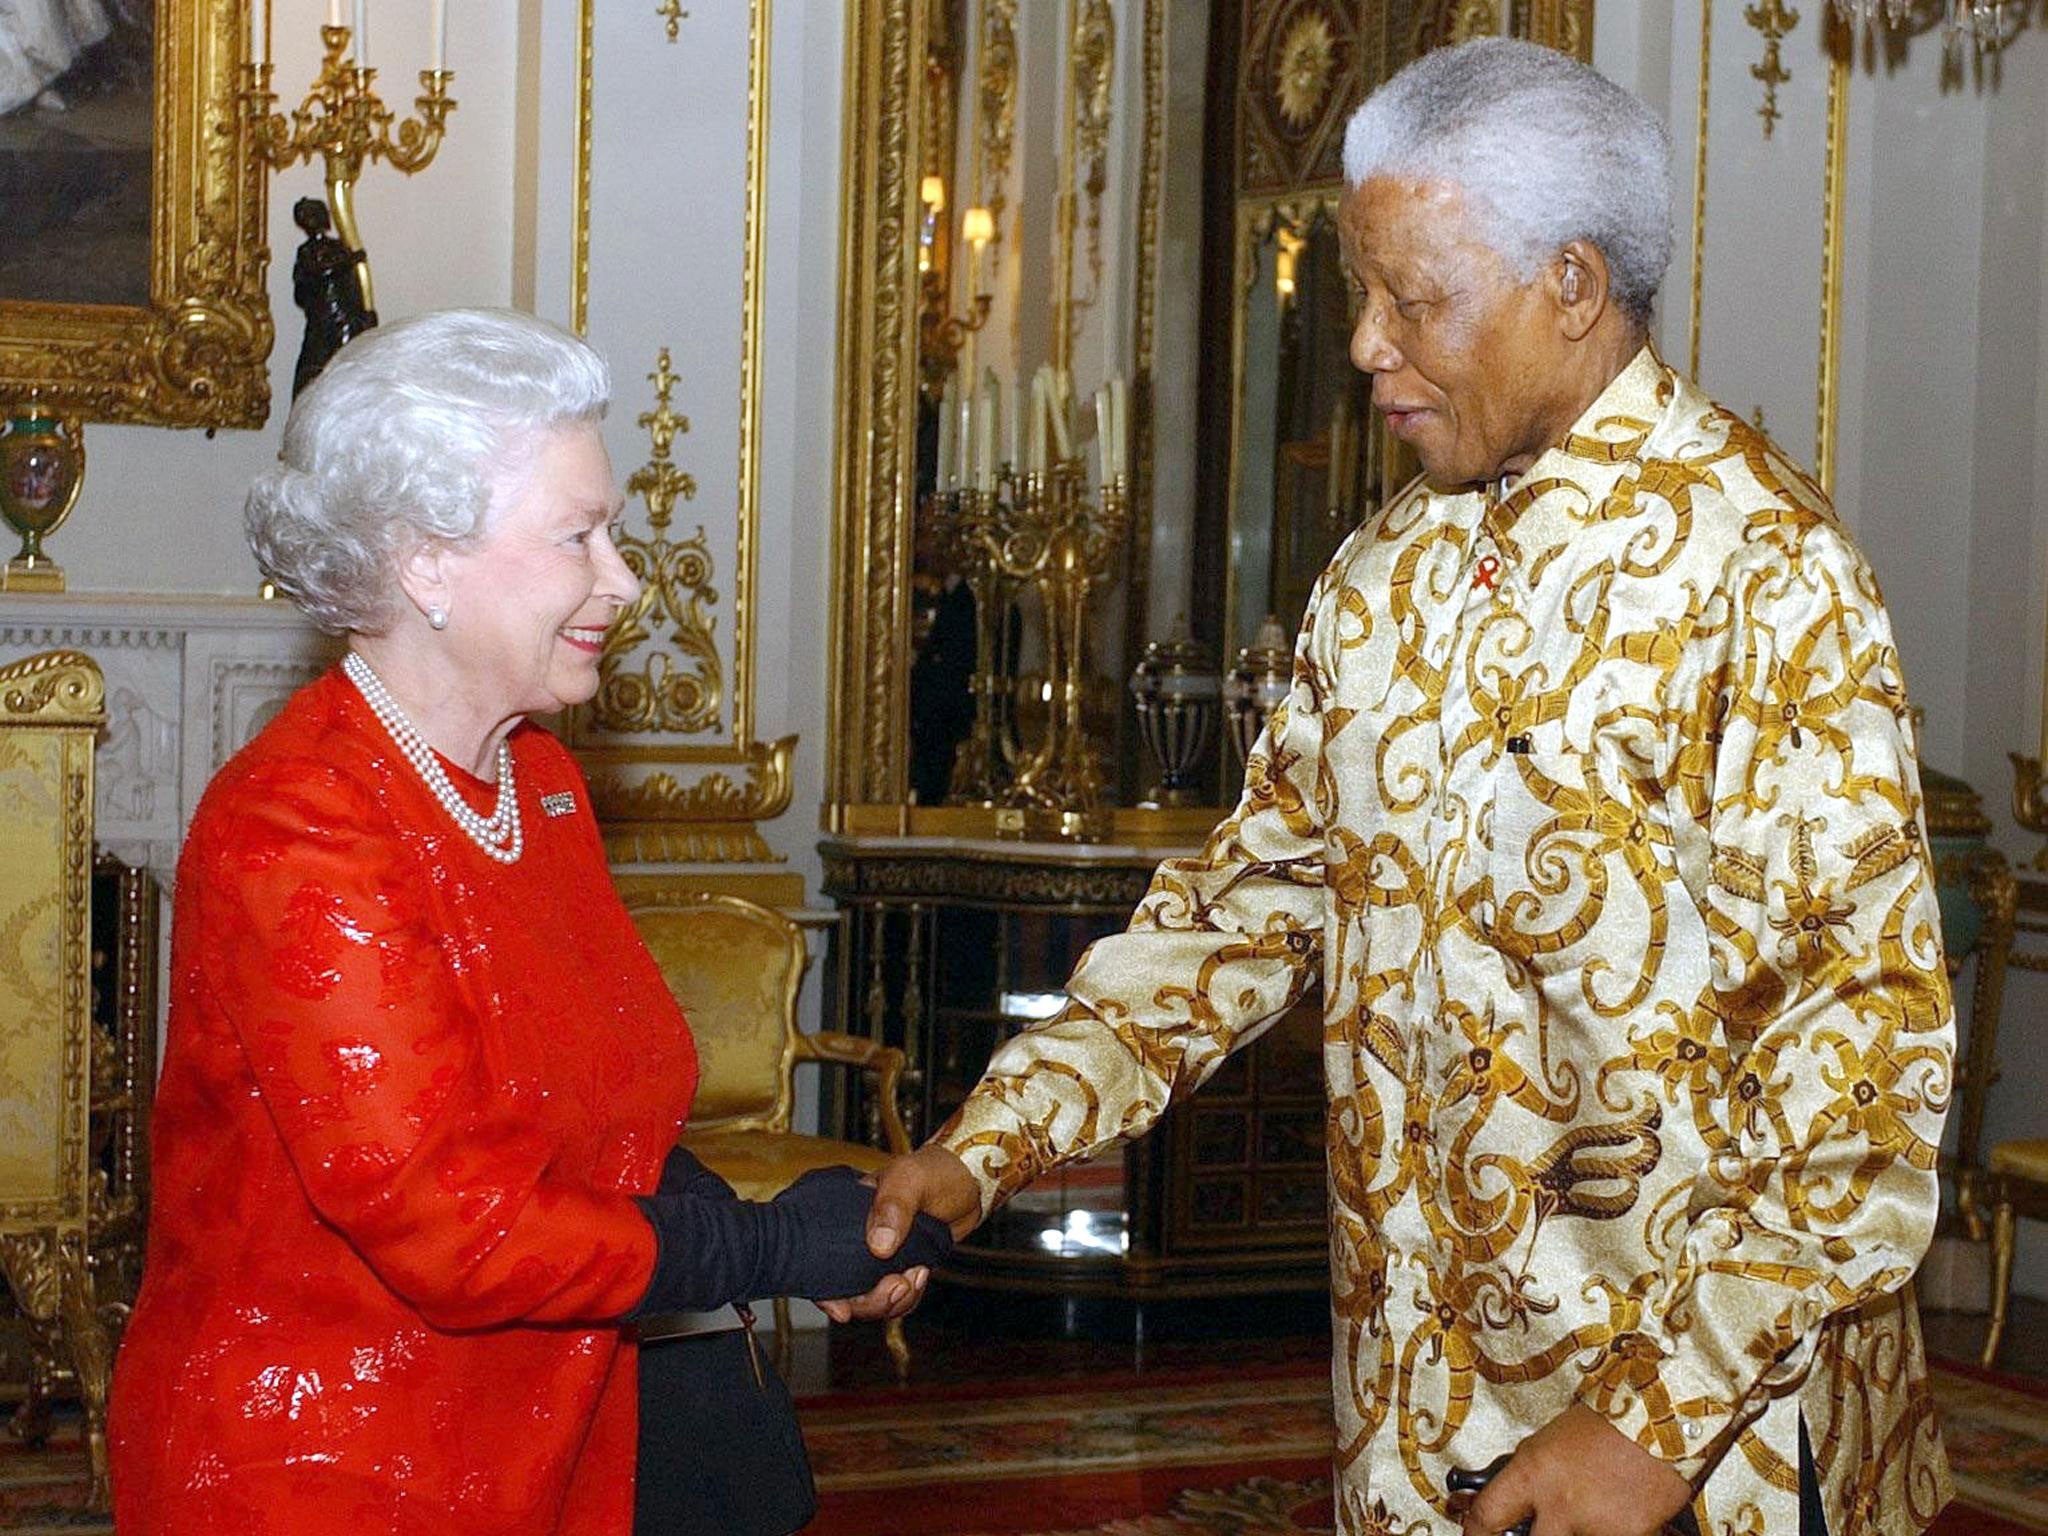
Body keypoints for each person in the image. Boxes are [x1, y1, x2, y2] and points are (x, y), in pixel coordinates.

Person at [858, 39, 1954, 1536]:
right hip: (1411, 1406)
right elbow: (1242, 913)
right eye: (1361, 293)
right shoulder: (1384, 570)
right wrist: (990, 1142)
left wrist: (1651, 1421)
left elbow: (1863, 1059)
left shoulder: (1766, 570)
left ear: (1571, 286)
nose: (1366, 343)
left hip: (1706, 1453)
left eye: (1414, 300)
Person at [108, 308, 945, 1535]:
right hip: (321, 1465)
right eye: (578, 536)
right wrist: (767, 1250)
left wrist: (823, 1233)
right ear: (424, 562)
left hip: (544, 1437)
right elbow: (455, 1222)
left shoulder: (537, 785)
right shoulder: (298, 824)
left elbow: (591, 1116)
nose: (623, 576)